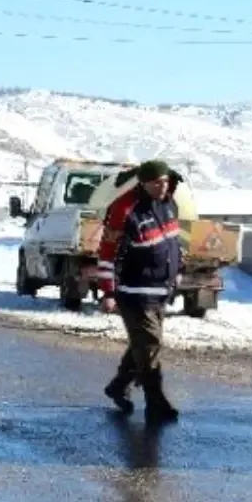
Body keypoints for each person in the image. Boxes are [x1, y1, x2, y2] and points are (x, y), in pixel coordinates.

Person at [96, 159, 183, 423]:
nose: (162, 186)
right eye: (157, 182)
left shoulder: (168, 205)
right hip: (133, 292)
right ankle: (155, 401)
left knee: (142, 345)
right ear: (143, 183)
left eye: (165, 181)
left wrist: (178, 270)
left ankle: (118, 386)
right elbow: (107, 253)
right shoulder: (124, 209)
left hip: (159, 290)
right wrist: (108, 291)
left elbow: (174, 243)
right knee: (150, 345)